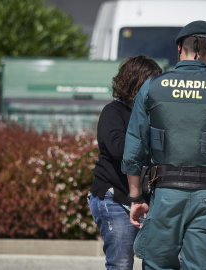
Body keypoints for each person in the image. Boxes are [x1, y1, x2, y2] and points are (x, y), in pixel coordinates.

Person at [121, 21, 206, 270]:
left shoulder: (151, 88)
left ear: (179, 48)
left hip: (165, 195)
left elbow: (133, 151)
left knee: (158, 265)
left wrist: (136, 197)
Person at [88, 56, 162, 270]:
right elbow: (119, 150)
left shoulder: (156, 115)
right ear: (136, 83)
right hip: (115, 199)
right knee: (121, 264)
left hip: (148, 200)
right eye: (152, 82)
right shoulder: (113, 112)